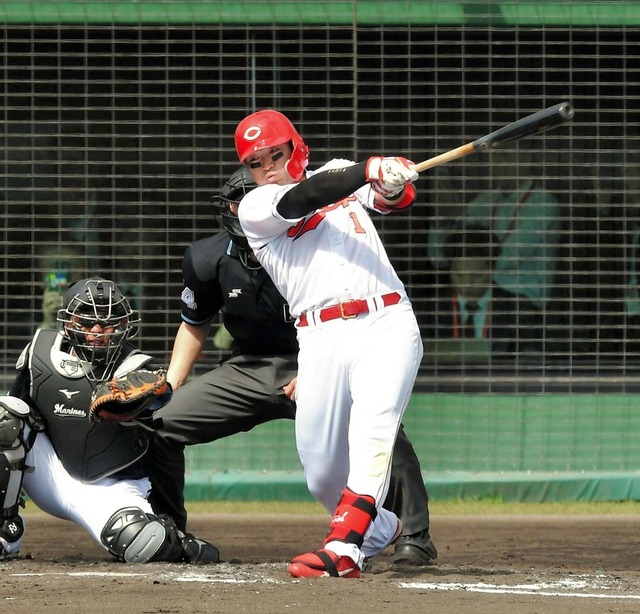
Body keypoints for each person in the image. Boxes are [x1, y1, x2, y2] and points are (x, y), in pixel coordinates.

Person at [148, 165, 437, 569]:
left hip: (316, 357)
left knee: (379, 423)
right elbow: (194, 324)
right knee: (160, 423)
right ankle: (167, 534)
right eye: (239, 199)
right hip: (249, 368)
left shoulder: (318, 239)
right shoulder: (208, 255)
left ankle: (414, 534)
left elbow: (377, 203)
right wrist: (169, 385)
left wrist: (319, 369)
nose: (245, 205)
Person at [234, 109, 424, 579]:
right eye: (257, 162)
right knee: (321, 476)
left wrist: (391, 182)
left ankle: (343, 549)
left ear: (297, 147)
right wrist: (368, 168)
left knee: (372, 434)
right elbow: (309, 195)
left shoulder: (337, 171)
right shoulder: (255, 209)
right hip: (318, 336)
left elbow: (393, 200)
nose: (269, 167)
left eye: (276, 154)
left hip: (385, 321)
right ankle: (379, 531)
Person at [0, 277, 219, 564]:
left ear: (124, 325)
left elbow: (161, 408)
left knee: (143, 544)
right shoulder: (40, 353)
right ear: (68, 322)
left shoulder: (138, 370)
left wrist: (150, 399)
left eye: (108, 323)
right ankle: (7, 531)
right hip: (49, 472)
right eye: (87, 321)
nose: (97, 332)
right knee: (5, 418)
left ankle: (181, 543)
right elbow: (20, 415)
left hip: (112, 487)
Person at [433, 223, 544, 357]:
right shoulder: (431, 309)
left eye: (476, 275)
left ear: (492, 269)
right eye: (459, 275)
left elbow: (529, 357)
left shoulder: (518, 309)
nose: (467, 284)